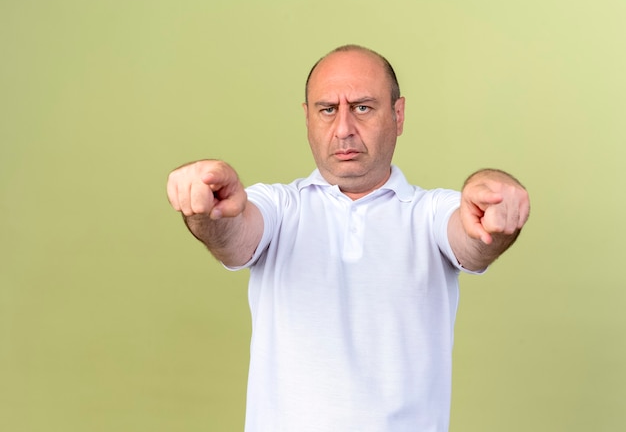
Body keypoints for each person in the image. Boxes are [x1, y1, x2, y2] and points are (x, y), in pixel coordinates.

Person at [166, 45, 530, 432]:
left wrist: (491, 199)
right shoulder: (278, 206)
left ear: (398, 115)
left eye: (362, 107)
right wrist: (209, 207)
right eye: (327, 110)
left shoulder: (429, 213)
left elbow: (472, 241)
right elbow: (234, 238)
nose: (343, 129)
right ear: (307, 118)